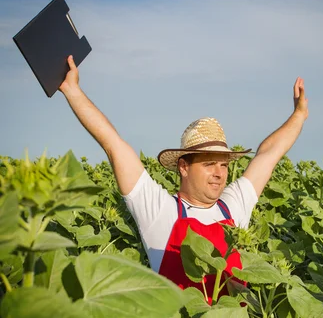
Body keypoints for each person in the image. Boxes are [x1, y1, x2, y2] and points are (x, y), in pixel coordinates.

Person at [59, 55, 308, 299]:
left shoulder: (233, 206)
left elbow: (268, 154)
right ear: (183, 167)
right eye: (209, 164)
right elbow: (113, 144)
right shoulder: (160, 211)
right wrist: (73, 90)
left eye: (223, 164)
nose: (220, 174)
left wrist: (298, 116)